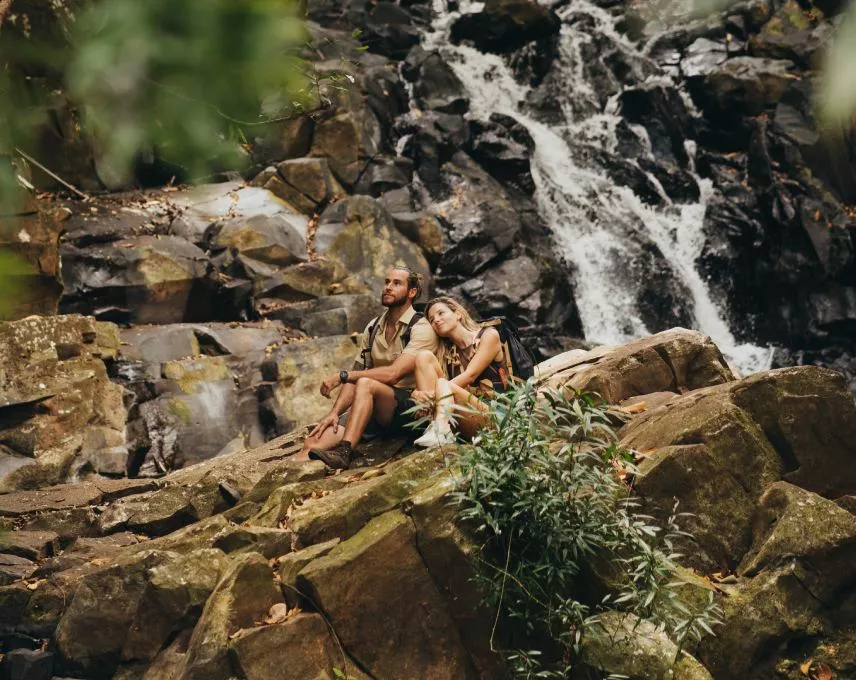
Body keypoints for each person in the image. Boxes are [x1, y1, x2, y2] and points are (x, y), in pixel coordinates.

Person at [296, 266, 440, 469]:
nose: (388, 287)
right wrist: (334, 413)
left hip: (412, 409)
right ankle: (276, 488)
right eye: (387, 282)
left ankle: (344, 452)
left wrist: (343, 375)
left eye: (397, 283)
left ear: (412, 292)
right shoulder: (373, 327)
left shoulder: (421, 327)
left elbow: (393, 374)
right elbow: (358, 372)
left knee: (365, 383)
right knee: (313, 442)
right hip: (373, 407)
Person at [410, 296, 510, 448]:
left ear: (458, 314)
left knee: (443, 384)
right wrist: (417, 395)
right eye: (431, 319)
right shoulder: (448, 354)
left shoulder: (489, 335)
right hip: (463, 419)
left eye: (440, 313)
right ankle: (435, 428)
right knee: (423, 357)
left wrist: (433, 396)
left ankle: (440, 431)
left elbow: (471, 375)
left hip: (496, 419)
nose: (436, 320)